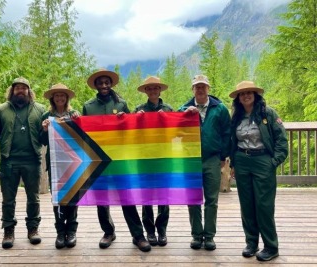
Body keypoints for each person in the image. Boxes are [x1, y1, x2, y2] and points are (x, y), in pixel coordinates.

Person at [83, 69, 151, 252]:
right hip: (98, 159)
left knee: (126, 197)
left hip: (120, 158)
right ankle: (108, 232)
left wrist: (125, 120)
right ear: (96, 86)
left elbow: (131, 128)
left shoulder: (121, 104)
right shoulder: (88, 107)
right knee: (101, 198)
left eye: (107, 82)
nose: (104, 86)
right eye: (101, 83)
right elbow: (83, 134)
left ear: (111, 84)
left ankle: (138, 235)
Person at [228, 81, 288, 261]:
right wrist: (233, 164)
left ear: (255, 95)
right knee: (247, 205)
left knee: (264, 206)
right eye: (242, 93)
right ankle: (251, 243)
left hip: (263, 161)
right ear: (238, 98)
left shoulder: (267, 113)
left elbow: (281, 140)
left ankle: (271, 246)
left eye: (249, 92)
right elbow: (232, 140)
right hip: (242, 161)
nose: (246, 95)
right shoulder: (236, 116)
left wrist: (273, 161)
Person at [177, 74, 231, 251]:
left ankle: (209, 236)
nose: (200, 89)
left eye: (203, 86)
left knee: (212, 200)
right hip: (191, 160)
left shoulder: (220, 108)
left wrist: (223, 157)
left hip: (212, 159)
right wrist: (184, 116)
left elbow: (226, 133)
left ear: (208, 88)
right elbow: (174, 132)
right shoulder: (183, 108)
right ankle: (196, 235)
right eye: (197, 86)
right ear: (192, 89)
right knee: (193, 200)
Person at [0, 77, 46, 249]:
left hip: (32, 159)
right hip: (9, 161)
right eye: (17, 88)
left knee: (33, 198)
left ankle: (33, 229)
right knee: (8, 199)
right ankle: (8, 231)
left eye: (24, 88)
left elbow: (44, 135)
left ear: (29, 91)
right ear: (12, 91)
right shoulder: (1, 110)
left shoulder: (40, 109)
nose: (20, 91)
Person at [40, 83, 80, 249]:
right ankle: (60, 231)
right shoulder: (46, 115)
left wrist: (78, 122)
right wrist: (43, 130)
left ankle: (71, 231)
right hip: (55, 163)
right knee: (57, 198)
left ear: (67, 97)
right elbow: (41, 141)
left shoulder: (74, 114)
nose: (60, 98)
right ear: (52, 98)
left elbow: (83, 138)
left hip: (74, 162)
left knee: (72, 197)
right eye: (56, 96)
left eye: (63, 95)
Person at [134, 76, 173, 247]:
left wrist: (167, 120)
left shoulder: (169, 109)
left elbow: (177, 134)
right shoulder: (138, 110)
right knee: (147, 195)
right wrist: (136, 119)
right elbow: (132, 134)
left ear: (160, 90)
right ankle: (149, 230)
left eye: (155, 88)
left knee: (164, 195)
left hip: (164, 157)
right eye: (149, 88)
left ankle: (162, 229)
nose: (152, 91)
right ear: (145, 91)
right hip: (144, 158)